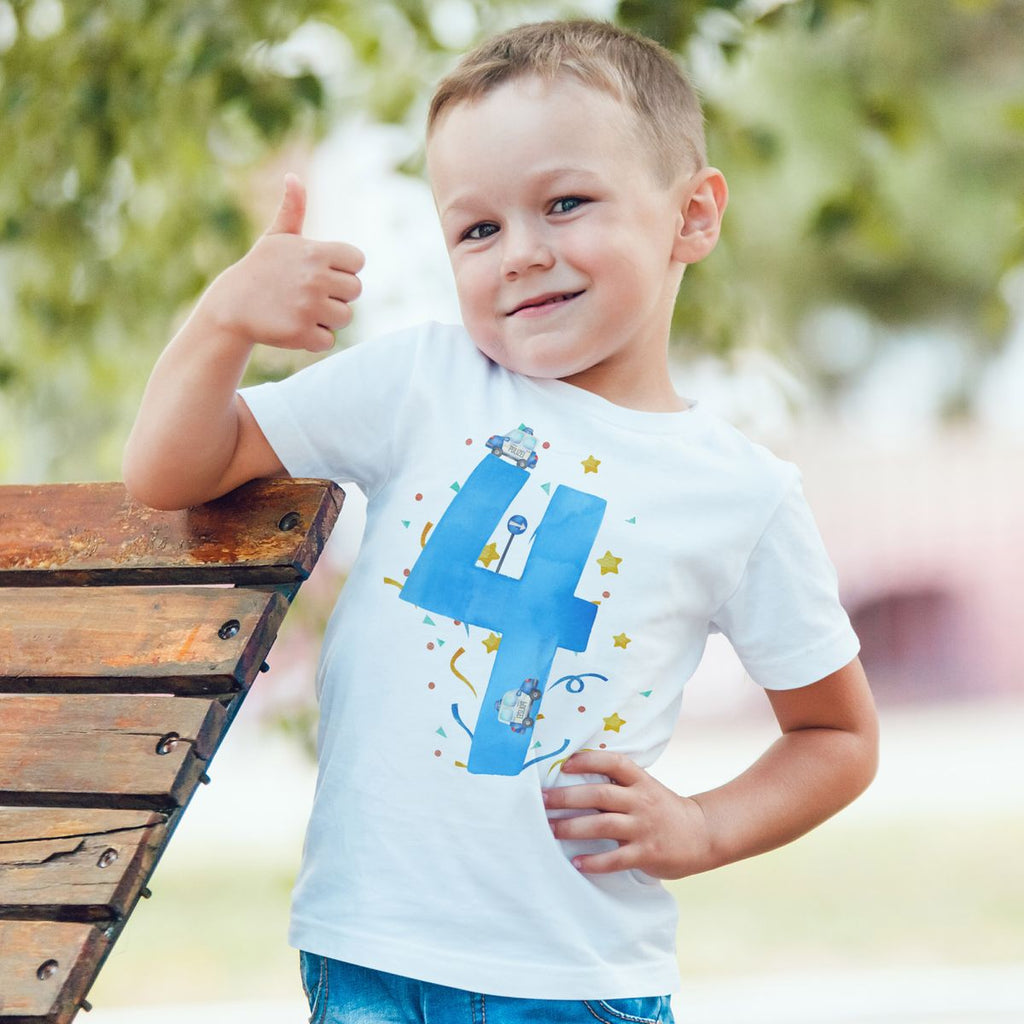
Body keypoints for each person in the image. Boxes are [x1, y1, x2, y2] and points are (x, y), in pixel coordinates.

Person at [123, 18, 878, 1024]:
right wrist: (223, 318)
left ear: (691, 216)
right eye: (476, 229)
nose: (520, 253)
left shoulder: (740, 491)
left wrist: (699, 827)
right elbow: (172, 470)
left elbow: (835, 734)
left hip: (575, 979)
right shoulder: (421, 382)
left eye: (565, 203)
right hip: (368, 956)